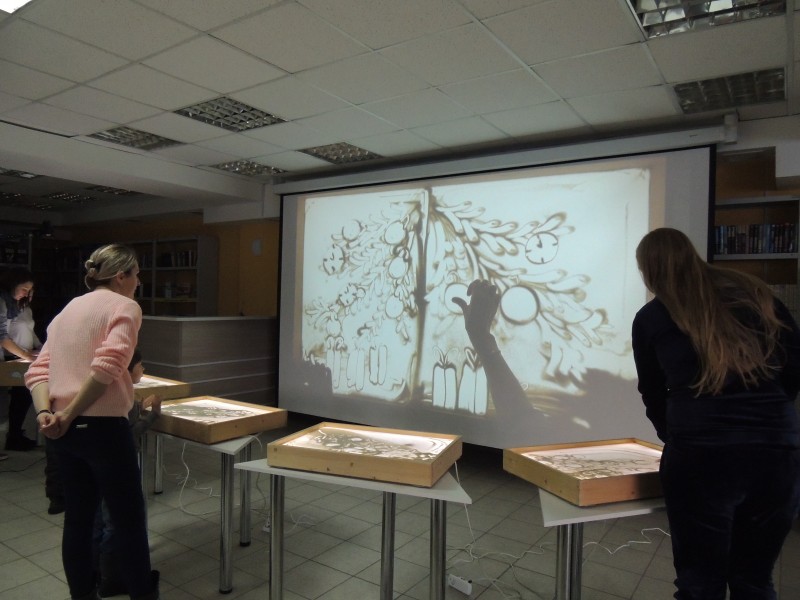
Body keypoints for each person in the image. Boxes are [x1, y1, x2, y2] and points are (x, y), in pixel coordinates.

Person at [631, 227, 800, 600]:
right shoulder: (755, 294)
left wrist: (676, 435)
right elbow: (793, 367)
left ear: (650, 269)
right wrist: (770, 417)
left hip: (701, 456)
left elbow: (652, 392)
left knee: (700, 583)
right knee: (755, 580)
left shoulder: (653, 316)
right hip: (777, 454)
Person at [26, 243, 160, 600]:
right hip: (103, 430)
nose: (138, 282)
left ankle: (82, 595)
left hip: (64, 433)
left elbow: (38, 370)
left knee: (79, 519)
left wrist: (46, 413)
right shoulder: (125, 306)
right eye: (136, 275)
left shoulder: (68, 309)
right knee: (129, 521)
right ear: (121, 276)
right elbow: (108, 366)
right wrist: (69, 413)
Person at [95, 348, 161, 598]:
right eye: (140, 365)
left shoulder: (111, 393)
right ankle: (112, 578)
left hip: (98, 463)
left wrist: (139, 406)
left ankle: (101, 573)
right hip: (117, 464)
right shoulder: (122, 398)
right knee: (116, 518)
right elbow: (130, 434)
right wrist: (153, 415)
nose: (143, 369)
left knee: (102, 517)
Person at [0, 267, 38, 453]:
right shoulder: (2, 303)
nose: (26, 293)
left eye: (29, 290)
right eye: (24, 289)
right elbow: (3, 337)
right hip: (11, 356)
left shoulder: (13, 306)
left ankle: (12, 437)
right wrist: (27, 356)